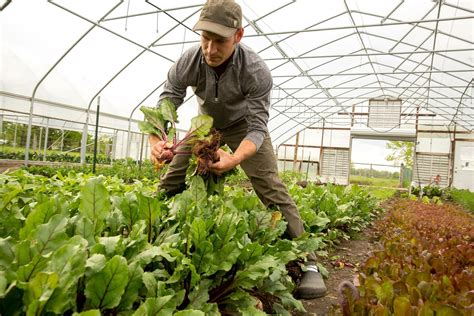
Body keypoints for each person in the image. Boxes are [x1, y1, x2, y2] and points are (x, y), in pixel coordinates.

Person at [149, 0, 327, 299]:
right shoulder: (188, 61)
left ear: (239, 36)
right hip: (204, 125)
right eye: (205, 39)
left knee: (270, 187)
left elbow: (258, 127)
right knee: (171, 178)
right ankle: (152, 234)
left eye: (220, 41)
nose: (210, 49)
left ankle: (310, 265)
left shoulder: (256, 70)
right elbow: (166, 102)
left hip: (244, 127)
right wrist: (157, 142)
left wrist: (235, 158)